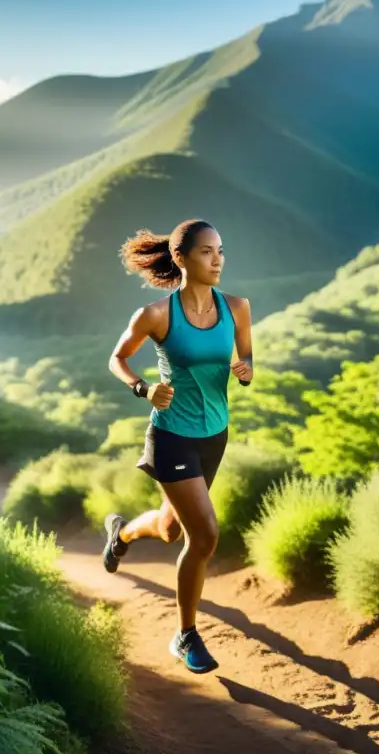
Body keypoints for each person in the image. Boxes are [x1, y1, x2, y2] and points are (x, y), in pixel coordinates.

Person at [102, 218, 253, 675]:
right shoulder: (155, 315)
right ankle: (185, 633)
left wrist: (244, 369)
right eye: (207, 252)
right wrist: (143, 389)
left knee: (170, 530)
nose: (218, 259)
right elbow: (118, 358)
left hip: (215, 435)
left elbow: (244, 356)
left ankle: (121, 533)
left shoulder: (238, 307)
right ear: (182, 258)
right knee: (204, 534)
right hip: (171, 435)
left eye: (221, 250)